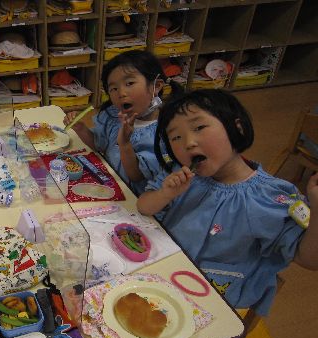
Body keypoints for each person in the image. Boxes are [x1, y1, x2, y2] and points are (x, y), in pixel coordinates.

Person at [137, 89, 318, 315]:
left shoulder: (268, 198)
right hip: (160, 275)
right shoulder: (179, 175)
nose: (189, 143)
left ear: (237, 128)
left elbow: (309, 259)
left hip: (214, 306)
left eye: (199, 127)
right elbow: (143, 206)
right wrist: (165, 194)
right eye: (176, 137)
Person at [63, 50, 182, 194]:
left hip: (132, 197)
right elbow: (98, 144)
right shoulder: (114, 116)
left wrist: (125, 143)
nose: (121, 93)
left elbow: (136, 176)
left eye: (129, 83)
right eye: (113, 88)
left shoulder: (164, 133)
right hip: (108, 184)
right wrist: (81, 128)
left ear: (156, 86)